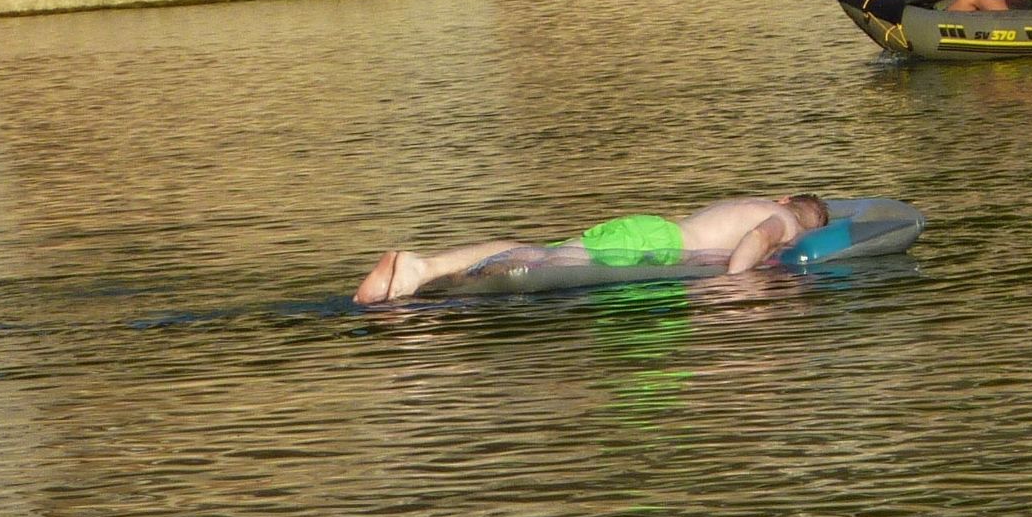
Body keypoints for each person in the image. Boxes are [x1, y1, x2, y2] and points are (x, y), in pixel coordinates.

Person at [353, 194, 830, 304]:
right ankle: (422, 272)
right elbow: (757, 239)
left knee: (537, 252)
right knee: (542, 261)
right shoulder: (785, 219)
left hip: (650, 230)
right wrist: (740, 281)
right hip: (654, 243)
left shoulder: (750, 200)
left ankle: (425, 267)